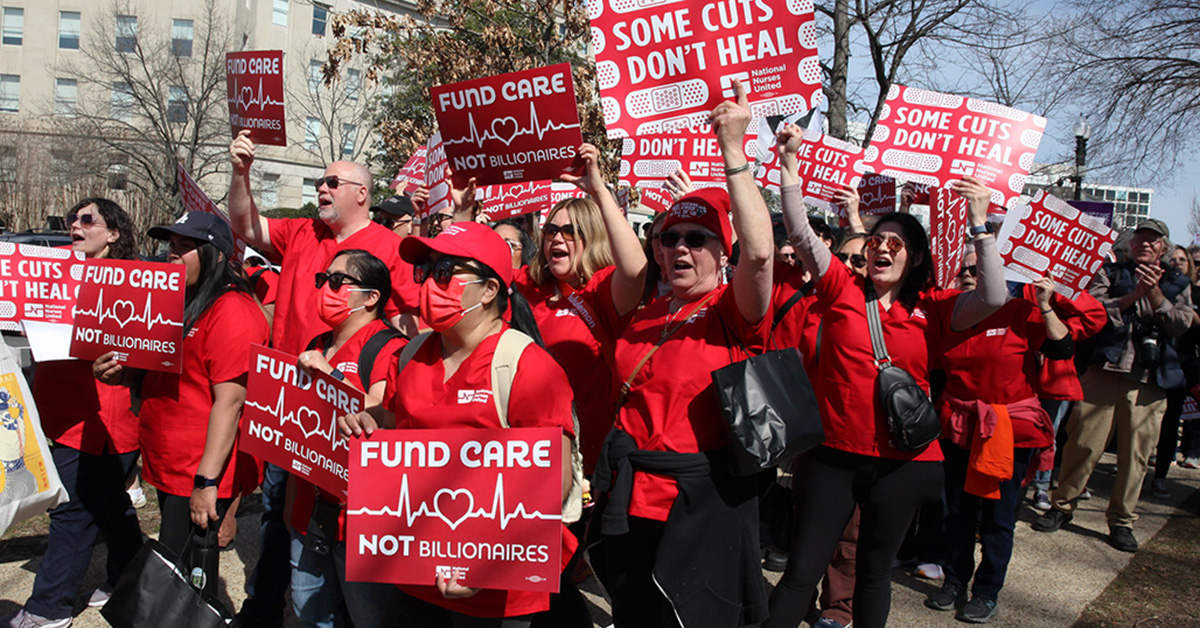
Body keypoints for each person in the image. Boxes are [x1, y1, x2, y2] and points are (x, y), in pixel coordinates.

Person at [763, 121, 1006, 628]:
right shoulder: (840, 290)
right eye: (877, 239)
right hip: (834, 457)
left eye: (896, 242)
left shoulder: (936, 310)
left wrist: (979, 225)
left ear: (915, 257)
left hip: (904, 464)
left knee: (873, 574)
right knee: (802, 572)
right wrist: (789, 167)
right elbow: (804, 237)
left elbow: (993, 297)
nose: (882, 246)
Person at [586, 81, 776, 628]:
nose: (681, 249)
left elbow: (760, 256)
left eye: (698, 238)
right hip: (627, 498)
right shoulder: (645, 311)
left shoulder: (732, 311)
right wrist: (599, 188)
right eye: (670, 239)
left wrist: (733, 151)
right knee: (634, 614)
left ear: (723, 250)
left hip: (701, 506)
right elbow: (629, 265)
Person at [341, 221, 578, 627]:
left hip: (495, 588)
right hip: (415, 571)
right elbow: (397, 429)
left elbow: (553, 477)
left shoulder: (527, 365)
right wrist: (368, 421)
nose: (432, 283)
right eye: (426, 271)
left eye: (446, 272)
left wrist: (489, 561)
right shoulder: (411, 354)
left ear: (489, 291)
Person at [227, 129, 418, 625]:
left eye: (333, 181)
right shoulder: (302, 232)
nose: (322, 188)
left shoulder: (389, 248)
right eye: (320, 180)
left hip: (344, 413)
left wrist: (369, 368)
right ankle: (266, 605)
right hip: (287, 406)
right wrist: (241, 172)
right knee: (280, 513)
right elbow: (247, 227)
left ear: (362, 194)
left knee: (339, 525)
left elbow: (409, 321)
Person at [93, 212, 269, 596]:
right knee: (173, 573)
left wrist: (207, 484)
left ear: (217, 255)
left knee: (184, 587)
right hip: (167, 464)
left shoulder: (233, 311)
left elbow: (231, 403)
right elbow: (161, 372)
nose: (173, 256)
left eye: (186, 247)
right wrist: (120, 375)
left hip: (197, 469)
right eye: (171, 247)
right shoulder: (178, 302)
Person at [5, 199, 145, 628]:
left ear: (114, 232)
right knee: (109, 507)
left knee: (72, 510)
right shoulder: (51, 270)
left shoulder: (135, 282)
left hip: (105, 421)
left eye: (88, 220)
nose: (75, 227)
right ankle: (129, 577)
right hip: (62, 414)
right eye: (71, 220)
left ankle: (49, 608)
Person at [923, 259, 1071, 623]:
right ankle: (955, 581)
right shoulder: (948, 311)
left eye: (980, 266)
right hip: (959, 425)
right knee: (957, 511)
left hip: (1007, 431)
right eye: (965, 269)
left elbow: (1062, 350)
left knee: (997, 517)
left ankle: (987, 592)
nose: (972, 273)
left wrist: (1047, 304)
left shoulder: (1022, 310)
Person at [1033, 219, 1193, 553]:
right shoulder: (1112, 272)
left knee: (1136, 453)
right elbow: (1092, 310)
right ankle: (1062, 506)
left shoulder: (1177, 281)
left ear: (1163, 246)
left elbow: (1181, 324)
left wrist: (1155, 295)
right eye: (1139, 239)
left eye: (1151, 241)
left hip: (1149, 378)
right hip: (1105, 369)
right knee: (1084, 442)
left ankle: (1121, 521)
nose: (1144, 245)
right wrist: (1134, 295)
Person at [289, 249, 407, 628]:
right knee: (308, 612)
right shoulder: (319, 343)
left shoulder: (388, 347)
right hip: (311, 511)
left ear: (371, 297)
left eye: (338, 282)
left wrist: (331, 376)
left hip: (361, 519)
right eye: (324, 280)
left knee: (369, 618)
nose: (327, 288)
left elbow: (385, 416)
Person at [1149, 244, 1200, 498]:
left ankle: (1160, 476)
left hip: (1180, 365)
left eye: (1182, 259)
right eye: (1172, 258)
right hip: (1154, 358)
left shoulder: (1191, 292)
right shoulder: (1156, 285)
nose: (1177, 262)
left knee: (1171, 422)